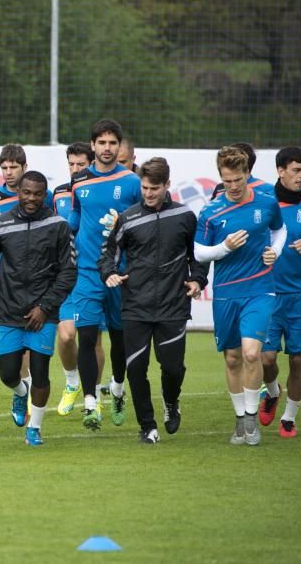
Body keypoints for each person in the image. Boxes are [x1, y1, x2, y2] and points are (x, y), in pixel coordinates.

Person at [98, 158, 207, 443]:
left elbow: (197, 256)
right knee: (135, 368)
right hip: (135, 306)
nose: (148, 193)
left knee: (172, 368)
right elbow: (108, 254)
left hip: (173, 305)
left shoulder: (185, 216)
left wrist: (197, 280)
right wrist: (109, 273)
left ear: (167, 185)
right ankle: (147, 426)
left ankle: (171, 402)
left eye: (154, 188)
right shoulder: (128, 218)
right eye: (145, 187)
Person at [0, 171, 76, 446]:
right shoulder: (2, 223)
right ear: (18, 191)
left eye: (37, 194)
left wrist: (45, 307)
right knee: (8, 374)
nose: (31, 198)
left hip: (44, 313)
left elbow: (68, 272)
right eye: (26, 192)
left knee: (41, 372)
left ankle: (35, 427)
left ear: (45, 195)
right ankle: (20, 392)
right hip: (9, 309)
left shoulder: (58, 226)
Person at [194, 146, 285, 446]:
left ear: (248, 174)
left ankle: (250, 420)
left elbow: (280, 231)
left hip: (260, 289)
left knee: (250, 353)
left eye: (238, 179)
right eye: (227, 180)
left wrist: (275, 251)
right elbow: (198, 252)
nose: (233, 186)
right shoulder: (210, 212)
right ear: (221, 177)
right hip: (225, 294)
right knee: (232, 358)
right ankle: (238, 421)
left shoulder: (267, 203)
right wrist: (225, 248)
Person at [68, 119, 141, 430]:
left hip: (120, 272)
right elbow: (75, 218)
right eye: (102, 143)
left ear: (119, 147)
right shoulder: (79, 181)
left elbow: (143, 223)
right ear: (93, 145)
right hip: (87, 270)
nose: (107, 148)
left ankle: (118, 387)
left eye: (113, 143)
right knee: (86, 335)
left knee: (120, 338)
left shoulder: (131, 182)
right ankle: (90, 402)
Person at [260, 147, 301, 438]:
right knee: (266, 359)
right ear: (281, 170)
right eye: (297, 170)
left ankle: (289, 417)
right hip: (268, 293)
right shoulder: (263, 203)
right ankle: (272, 392)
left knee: (299, 359)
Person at [52, 142, 107, 416]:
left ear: (91, 164)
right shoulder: (59, 193)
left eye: (80, 165)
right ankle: (72, 382)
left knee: (93, 340)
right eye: (71, 165)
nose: (75, 170)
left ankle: (92, 398)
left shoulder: (99, 191)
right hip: (64, 274)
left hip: (91, 271)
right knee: (65, 335)